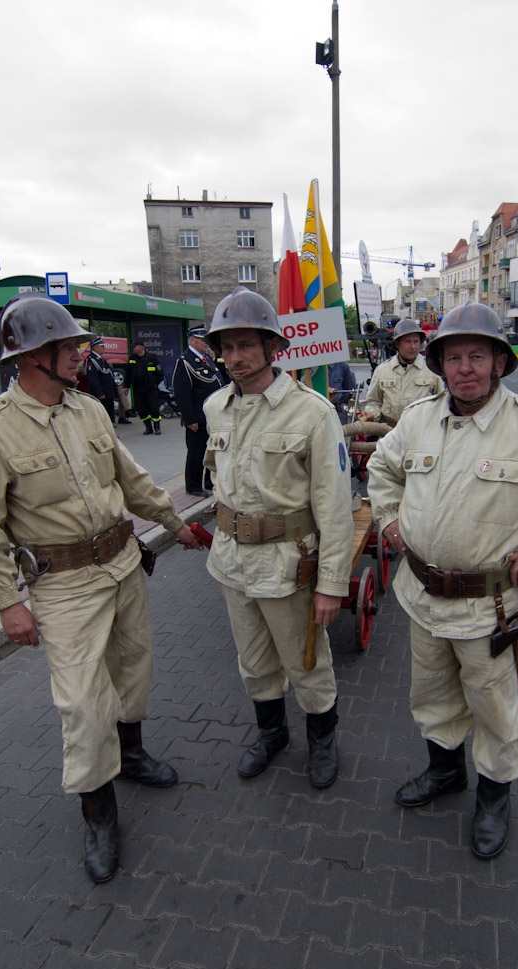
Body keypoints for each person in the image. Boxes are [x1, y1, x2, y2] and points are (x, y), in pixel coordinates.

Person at [0, 295, 203, 884]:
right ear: (33, 357)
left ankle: (132, 753)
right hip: (63, 588)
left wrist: (175, 525)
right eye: (69, 346)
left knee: (133, 669)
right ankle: (97, 810)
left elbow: (133, 481)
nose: (80, 353)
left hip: (121, 564)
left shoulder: (88, 409)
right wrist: (7, 604)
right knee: (83, 701)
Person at [367, 302, 518, 859]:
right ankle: (445, 772)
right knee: (431, 694)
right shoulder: (417, 419)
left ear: (500, 362)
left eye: (478, 355)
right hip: (423, 594)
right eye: (454, 357)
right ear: (440, 365)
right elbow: (382, 468)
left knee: (494, 707)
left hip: (489, 609)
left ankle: (495, 797)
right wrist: (388, 520)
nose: (466, 368)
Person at [202, 286, 354, 789]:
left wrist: (333, 583)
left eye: (246, 345)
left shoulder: (312, 412)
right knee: (253, 659)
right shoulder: (215, 408)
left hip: (288, 565)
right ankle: (271, 736)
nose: (235, 357)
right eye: (226, 347)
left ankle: (322, 740)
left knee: (306, 660)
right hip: (231, 561)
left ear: (273, 348)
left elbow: (334, 508)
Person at [172, 324, 227, 497]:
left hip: (212, 417)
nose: (205, 343)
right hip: (198, 418)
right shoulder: (185, 361)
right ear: (192, 340)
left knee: (212, 450)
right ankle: (193, 485)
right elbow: (182, 393)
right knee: (196, 453)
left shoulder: (206, 359)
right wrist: (190, 419)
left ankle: (209, 481)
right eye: (202, 340)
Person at [359, 318, 444, 425]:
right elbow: (374, 402)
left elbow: (442, 402)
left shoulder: (431, 369)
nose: (412, 347)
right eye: (407, 342)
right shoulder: (382, 371)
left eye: (416, 341)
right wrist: (371, 414)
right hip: (389, 432)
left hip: (422, 433)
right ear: (397, 344)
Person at [85, 337, 129, 424]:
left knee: (110, 414)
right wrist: (99, 393)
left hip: (108, 392)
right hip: (102, 393)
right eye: (101, 346)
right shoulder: (91, 360)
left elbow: (109, 375)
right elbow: (93, 379)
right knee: (104, 415)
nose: (104, 348)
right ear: (95, 347)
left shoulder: (101, 360)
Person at [128, 341, 163, 435]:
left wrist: (155, 383)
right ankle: (148, 427)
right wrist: (126, 386)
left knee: (153, 407)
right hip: (138, 389)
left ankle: (157, 427)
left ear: (140, 347)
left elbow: (159, 373)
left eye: (134, 347)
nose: (132, 349)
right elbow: (128, 374)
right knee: (141, 408)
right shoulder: (132, 359)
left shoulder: (152, 357)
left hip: (151, 388)